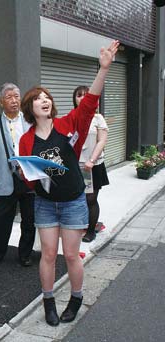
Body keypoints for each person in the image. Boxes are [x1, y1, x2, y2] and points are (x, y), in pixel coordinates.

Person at [19, 40, 119, 326]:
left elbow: (89, 103)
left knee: (72, 255)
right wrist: (32, 174)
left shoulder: (68, 124)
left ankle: (76, 298)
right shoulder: (26, 139)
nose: (44, 99)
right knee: (49, 254)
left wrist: (103, 69)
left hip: (74, 200)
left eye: (46, 96)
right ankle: (48, 300)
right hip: (46, 203)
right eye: (38, 98)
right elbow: (27, 176)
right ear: (31, 107)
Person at [0, 83, 39, 268]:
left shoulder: (31, 122)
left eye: (16, 96)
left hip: (28, 178)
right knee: (2, 220)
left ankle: (25, 254)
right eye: (9, 97)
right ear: (1, 102)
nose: (14, 100)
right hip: (4, 179)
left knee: (29, 220)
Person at [74, 86, 110, 242]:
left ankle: (90, 231)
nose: (82, 98)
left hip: (92, 166)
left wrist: (91, 160)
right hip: (76, 166)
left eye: (85, 95)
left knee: (90, 199)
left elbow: (102, 140)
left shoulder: (98, 118)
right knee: (76, 199)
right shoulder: (72, 117)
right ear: (74, 99)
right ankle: (77, 226)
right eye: (79, 95)